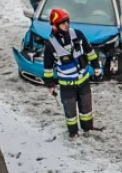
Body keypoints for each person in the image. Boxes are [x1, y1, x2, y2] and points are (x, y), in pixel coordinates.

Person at [43, 8, 102, 138]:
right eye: (63, 22)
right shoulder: (50, 46)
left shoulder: (77, 34)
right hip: (67, 86)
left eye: (67, 21)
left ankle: (88, 129)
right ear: (55, 26)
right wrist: (50, 85)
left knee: (86, 109)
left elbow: (90, 51)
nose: (67, 24)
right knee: (70, 113)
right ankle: (73, 133)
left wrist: (96, 67)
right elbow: (47, 68)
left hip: (84, 81)